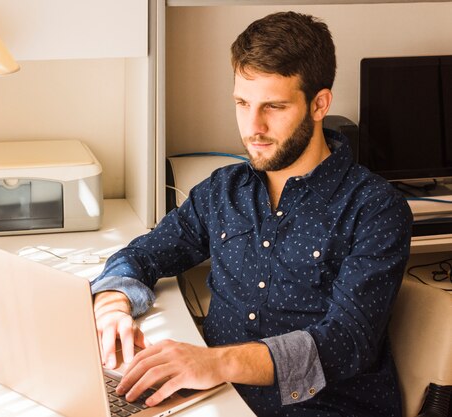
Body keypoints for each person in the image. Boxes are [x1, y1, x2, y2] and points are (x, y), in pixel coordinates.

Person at [91, 11, 412, 417]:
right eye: (242, 103)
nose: (253, 128)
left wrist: (216, 362)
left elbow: (345, 343)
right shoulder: (223, 191)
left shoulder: (375, 208)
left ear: (319, 104)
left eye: (273, 107)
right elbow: (145, 254)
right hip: (218, 400)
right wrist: (113, 303)